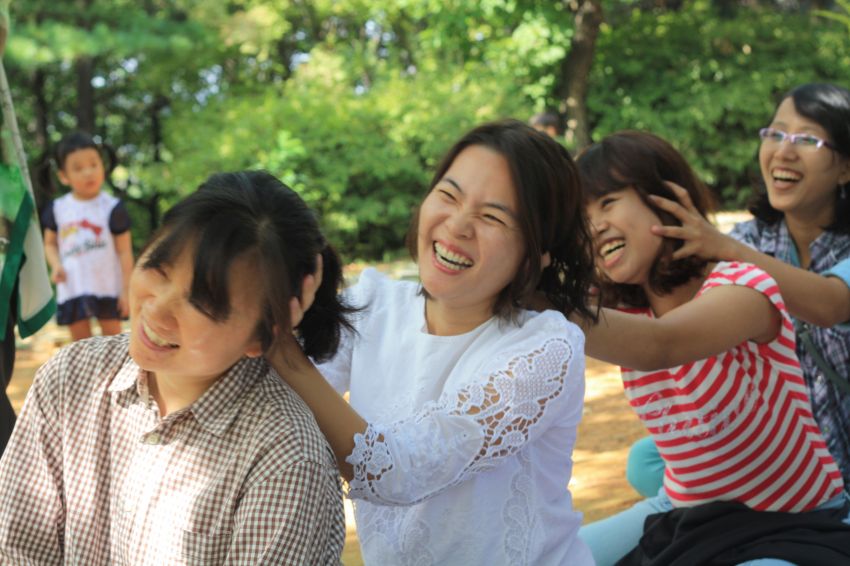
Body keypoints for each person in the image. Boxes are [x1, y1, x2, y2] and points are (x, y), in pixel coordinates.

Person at [268, 119, 597, 565]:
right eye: (448, 195)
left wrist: (281, 347)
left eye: (493, 216)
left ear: (538, 254)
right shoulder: (372, 304)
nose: (457, 225)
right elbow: (278, 403)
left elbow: (395, 471)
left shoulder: (546, 348)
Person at [0, 171, 346, 564]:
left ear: (262, 335)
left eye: (203, 304)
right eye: (159, 268)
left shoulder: (286, 458)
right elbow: (16, 549)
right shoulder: (70, 377)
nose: (157, 310)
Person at [575, 131, 850, 566]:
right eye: (581, 218)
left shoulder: (742, 287)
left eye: (607, 203)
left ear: (667, 200)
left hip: (796, 522)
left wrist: (544, 304)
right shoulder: (627, 312)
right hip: (688, 511)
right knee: (549, 557)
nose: (594, 226)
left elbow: (663, 345)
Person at [626, 83, 850, 497]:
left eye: (807, 140)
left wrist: (726, 249)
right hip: (779, 443)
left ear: (845, 169)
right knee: (645, 461)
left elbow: (831, 304)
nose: (784, 151)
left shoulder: (732, 247)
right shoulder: (750, 238)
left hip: (837, 453)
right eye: (775, 134)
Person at [41, 131, 133, 341]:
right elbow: (49, 244)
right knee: (81, 345)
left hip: (107, 286)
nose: (88, 172)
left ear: (103, 166)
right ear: (63, 176)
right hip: (73, 285)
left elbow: (125, 252)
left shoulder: (112, 207)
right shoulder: (58, 209)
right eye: (78, 168)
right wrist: (56, 265)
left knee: (114, 343)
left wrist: (126, 290)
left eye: (93, 164)